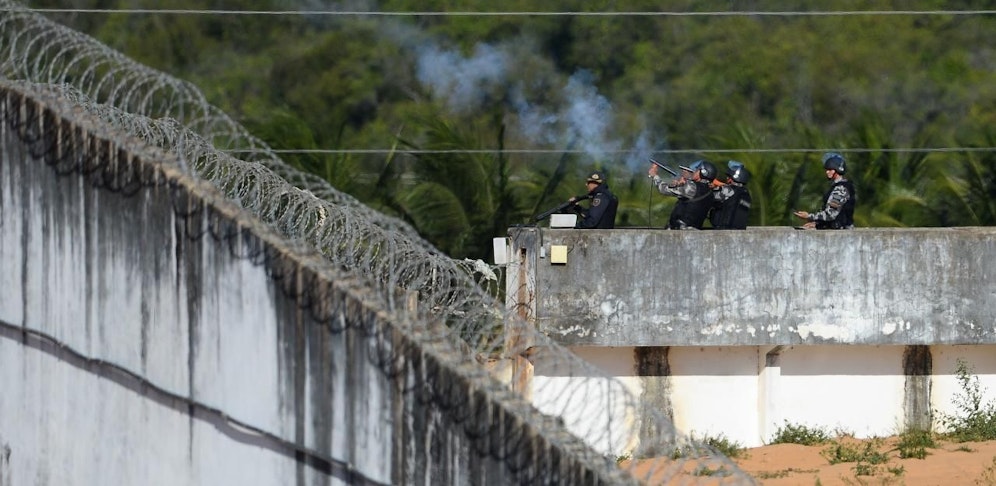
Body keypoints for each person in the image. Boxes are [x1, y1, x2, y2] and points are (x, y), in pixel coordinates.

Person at [793, 152, 856, 229]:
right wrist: (817, 224)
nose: (827, 172)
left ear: (836, 170)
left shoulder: (841, 189)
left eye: (830, 169)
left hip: (840, 233)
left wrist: (809, 216)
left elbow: (831, 214)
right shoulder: (838, 186)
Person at [649, 159, 715, 229]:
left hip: (680, 232)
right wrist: (680, 184)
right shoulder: (711, 193)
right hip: (694, 231)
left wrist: (655, 176)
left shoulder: (691, 186)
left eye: (697, 170)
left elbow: (663, 189)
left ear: (703, 173)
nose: (695, 172)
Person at [710, 162, 752, 229]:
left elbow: (708, 198)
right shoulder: (745, 192)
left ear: (735, 177)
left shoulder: (729, 190)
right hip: (738, 230)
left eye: (729, 177)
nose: (727, 178)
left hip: (724, 229)